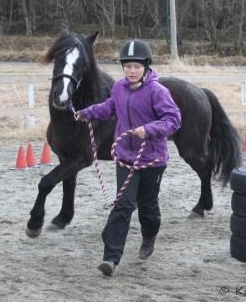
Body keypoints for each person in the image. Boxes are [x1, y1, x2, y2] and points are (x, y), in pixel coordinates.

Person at [75, 39, 182, 277]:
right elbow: (110, 107)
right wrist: (86, 113)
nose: (131, 71)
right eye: (127, 66)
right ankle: (110, 258)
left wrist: (150, 129)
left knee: (148, 207)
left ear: (145, 66)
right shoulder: (119, 88)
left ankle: (149, 236)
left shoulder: (158, 91)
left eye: (136, 66)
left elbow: (173, 120)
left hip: (152, 158)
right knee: (123, 204)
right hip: (126, 157)